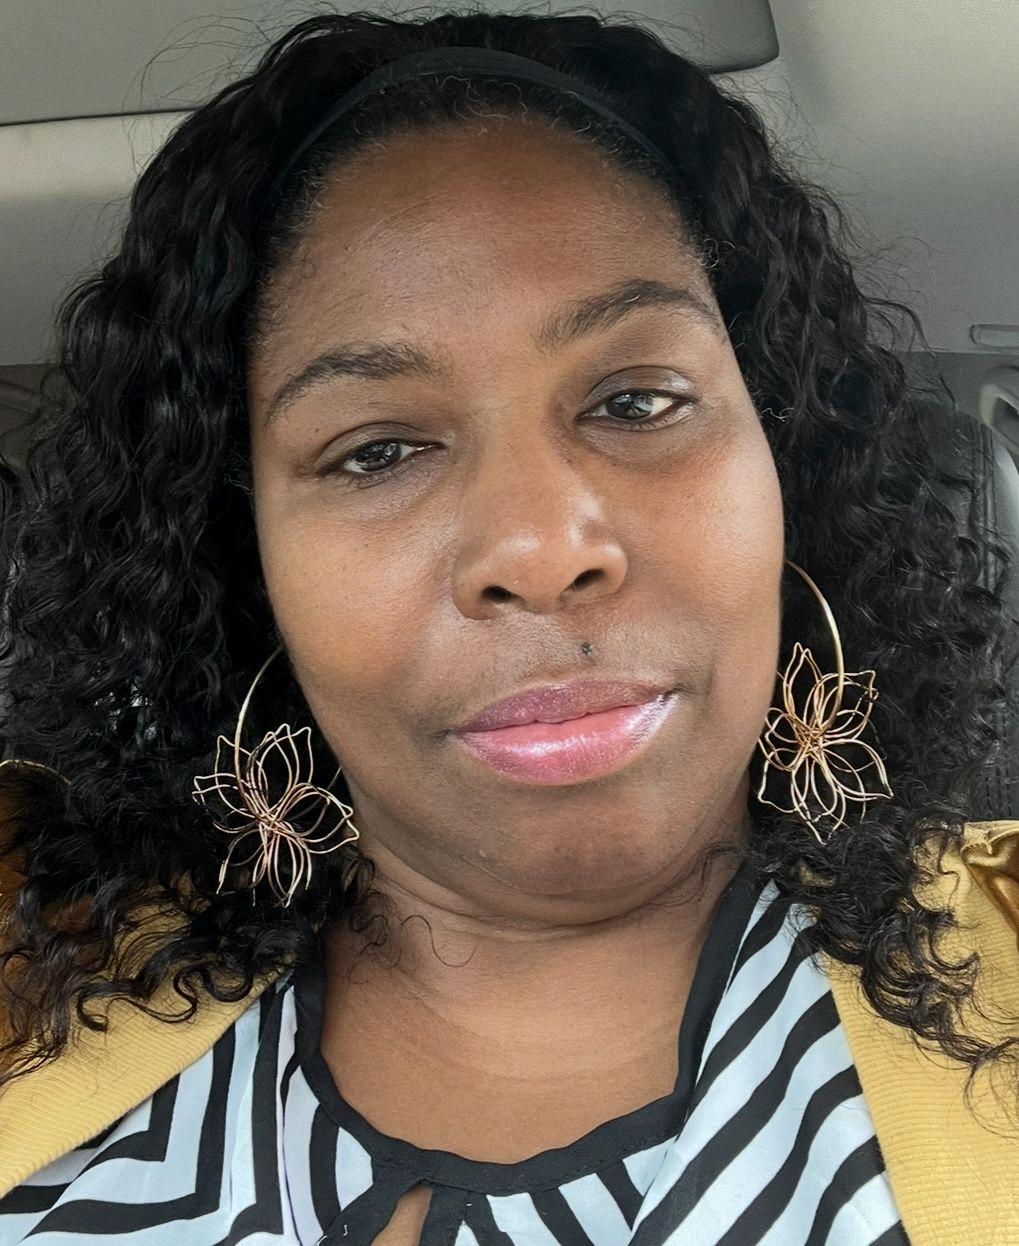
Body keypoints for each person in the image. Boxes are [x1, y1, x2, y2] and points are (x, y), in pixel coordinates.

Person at [0, 10, 1017, 1245]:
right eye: (377, 450)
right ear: (245, 560)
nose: (539, 549)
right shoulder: (28, 971)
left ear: (784, 465)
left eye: (636, 400)